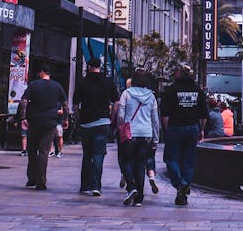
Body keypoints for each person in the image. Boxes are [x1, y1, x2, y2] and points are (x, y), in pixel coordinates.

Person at [160, 64, 206, 206]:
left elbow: (165, 114)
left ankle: (179, 184)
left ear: (179, 73)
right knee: (188, 160)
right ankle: (185, 183)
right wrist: (201, 129)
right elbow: (204, 115)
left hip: (175, 127)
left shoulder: (171, 90)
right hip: (192, 127)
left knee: (170, 158)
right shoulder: (198, 90)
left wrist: (167, 129)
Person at [20, 61, 68, 192]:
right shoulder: (57, 86)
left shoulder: (33, 85)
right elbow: (65, 104)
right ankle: (41, 181)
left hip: (34, 121)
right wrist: (65, 119)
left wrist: (23, 117)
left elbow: (24, 101)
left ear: (41, 72)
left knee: (31, 150)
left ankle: (31, 179)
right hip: (50, 122)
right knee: (44, 152)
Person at [74, 56, 118, 197]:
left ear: (88, 66)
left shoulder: (82, 83)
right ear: (100, 66)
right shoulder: (108, 82)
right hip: (103, 122)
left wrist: (79, 117)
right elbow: (116, 102)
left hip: (86, 123)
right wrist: (111, 117)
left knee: (87, 155)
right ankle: (96, 186)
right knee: (99, 154)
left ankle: (84, 186)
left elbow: (75, 104)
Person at [119, 69, 161, 206]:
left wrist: (121, 127)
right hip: (146, 134)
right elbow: (155, 120)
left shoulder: (126, 94)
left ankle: (131, 187)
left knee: (125, 160)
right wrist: (156, 138)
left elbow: (120, 115)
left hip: (130, 133)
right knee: (140, 164)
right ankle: (139, 198)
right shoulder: (152, 96)